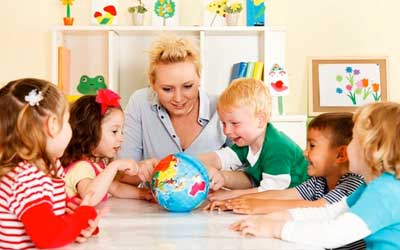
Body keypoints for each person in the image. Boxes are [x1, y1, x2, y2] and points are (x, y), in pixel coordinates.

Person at [231, 102, 400, 250]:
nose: (348, 147)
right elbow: (328, 212)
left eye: (354, 139)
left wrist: (276, 229)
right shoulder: (372, 185)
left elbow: (336, 233)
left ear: (371, 148)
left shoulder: (386, 191)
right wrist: (273, 219)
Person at [0, 78, 100, 249]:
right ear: (53, 125)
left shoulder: (49, 167)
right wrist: (81, 217)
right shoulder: (25, 178)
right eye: (67, 120)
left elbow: (51, 217)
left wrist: (77, 220)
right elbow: (48, 236)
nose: (70, 128)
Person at [204, 112, 364, 215]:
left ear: (340, 155)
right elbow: (282, 194)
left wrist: (258, 206)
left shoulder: (354, 183)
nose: (304, 152)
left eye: (312, 146)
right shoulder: (319, 181)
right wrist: (236, 201)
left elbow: (320, 207)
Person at [119, 35, 227, 161]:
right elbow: (124, 169)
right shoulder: (140, 102)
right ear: (153, 83)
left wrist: (222, 176)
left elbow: (246, 170)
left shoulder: (222, 106)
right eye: (167, 89)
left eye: (187, 86)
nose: (178, 98)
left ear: (199, 79)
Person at [198, 78, 309, 201]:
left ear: (260, 120)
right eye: (223, 123)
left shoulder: (278, 147)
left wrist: (229, 196)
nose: (226, 131)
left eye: (234, 123)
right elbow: (221, 158)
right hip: (277, 200)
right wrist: (193, 162)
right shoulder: (247, 142)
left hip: (300, 200)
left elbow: (269, 192)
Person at [61, 89, 154, 206]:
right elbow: (90, 198)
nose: (121, 138)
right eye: (114, 131)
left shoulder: (98, 165)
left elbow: (116, 188)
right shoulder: (82, 167)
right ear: (90, 131)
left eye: (122, 131)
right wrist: (114, 166)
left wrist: (143, 194)